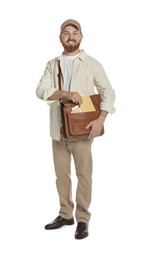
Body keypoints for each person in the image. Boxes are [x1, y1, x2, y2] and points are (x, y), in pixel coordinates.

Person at [36, 19, 115, 239]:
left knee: (84, 175)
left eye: (75, 32)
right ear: (60, 38)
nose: (70, 36)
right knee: (61, 176)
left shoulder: (92, 63)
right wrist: (64, 93)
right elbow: (40, 89)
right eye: (65, 33)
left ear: (81, 37)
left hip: (82, 131)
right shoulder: (53, 64)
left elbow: (109, 93)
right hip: (58, 130)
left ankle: (82, 219)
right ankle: (65, 214)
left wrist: (100, 120)